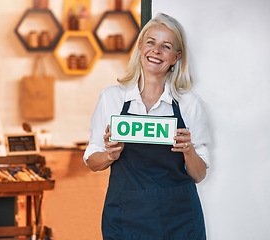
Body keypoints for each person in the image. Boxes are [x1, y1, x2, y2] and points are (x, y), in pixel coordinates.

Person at [83, 13, 210, 239]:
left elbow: (199, 175)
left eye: (166, 46)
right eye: (150, 42)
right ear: (140, 46)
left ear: (176, 57)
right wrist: (110, 155)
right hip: (126, 218)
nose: (156, 50)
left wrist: (188, 150)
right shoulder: (111, 98)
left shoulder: (189, 104)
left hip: (179, 219)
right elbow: (93, 161)